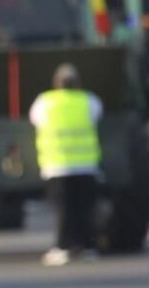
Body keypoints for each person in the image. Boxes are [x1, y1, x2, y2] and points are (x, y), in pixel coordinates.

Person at [28, 62, 102, 266]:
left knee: (64, 208)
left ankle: (62, 247)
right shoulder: (88, 100)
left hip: (57, 165)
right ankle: (89, 247)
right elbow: (97, 115)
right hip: (86, 166)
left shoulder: (45, 102)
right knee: (85, 208)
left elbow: (34, 119)